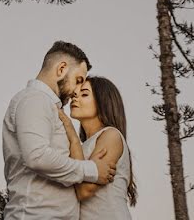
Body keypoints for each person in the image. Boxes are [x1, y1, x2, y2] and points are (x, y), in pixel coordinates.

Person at [2, 41, 118, 219]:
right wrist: (92, 170)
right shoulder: (34, 100)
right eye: (78, 80)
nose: (77, 90)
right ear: (61, 69)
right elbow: (37, 156)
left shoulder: (49, 106)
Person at [59, 76, 137, 219]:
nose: (75, 98)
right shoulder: (82, 146)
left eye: (84, 94)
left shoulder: (111, 136)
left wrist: (72, 135)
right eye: (75, 94)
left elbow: (84, 190)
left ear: (103, 102)